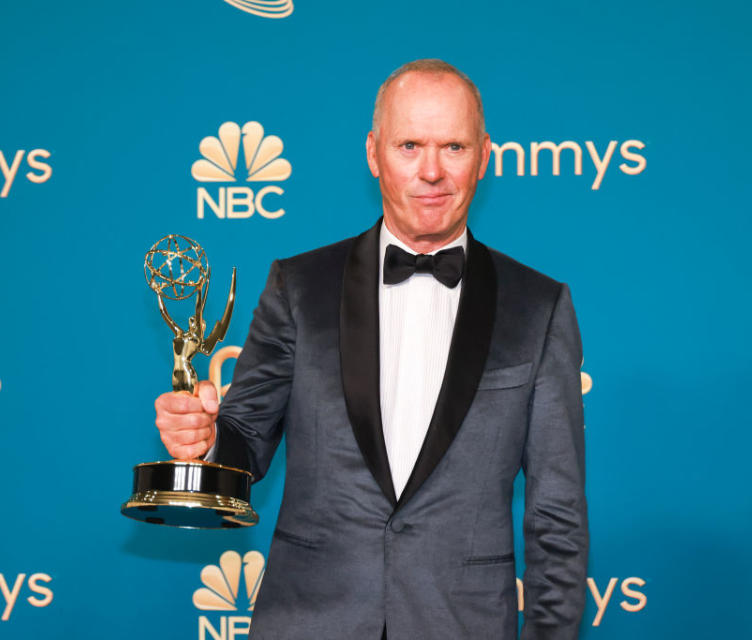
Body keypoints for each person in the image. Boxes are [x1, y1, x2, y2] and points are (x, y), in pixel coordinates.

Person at [154, 59, 588, 640]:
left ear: (484, 156)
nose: (431, 171)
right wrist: (205, 444)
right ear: (373, 153)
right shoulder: (299, 286)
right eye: (409, 145)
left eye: (453, 147)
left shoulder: (539, 306)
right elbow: (245, 445)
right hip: (309, 621)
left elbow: (557, 518)